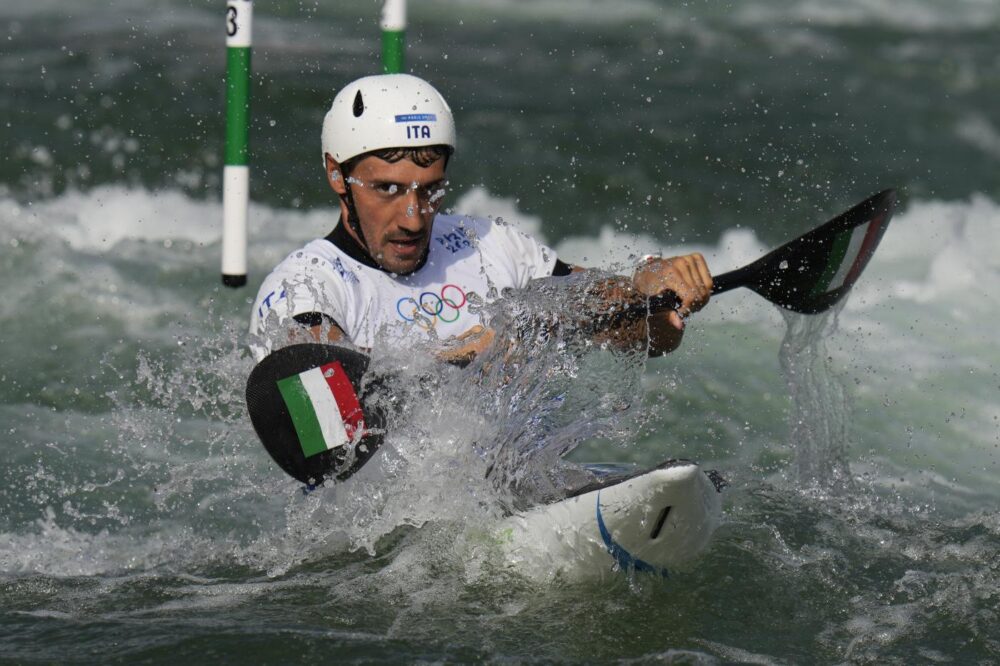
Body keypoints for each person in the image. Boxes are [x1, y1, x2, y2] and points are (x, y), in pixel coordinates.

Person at [248, 74, 712, 364]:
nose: (413, 218)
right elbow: (313, 393)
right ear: (337, 174)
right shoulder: (305, 287)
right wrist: (452, 359)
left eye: (430, 189)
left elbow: (637, 335)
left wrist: (651, 291)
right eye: (387, 189)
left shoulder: (487, 243)